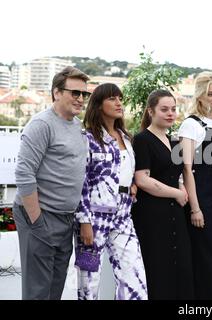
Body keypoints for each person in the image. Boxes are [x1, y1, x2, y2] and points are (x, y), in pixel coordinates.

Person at [13, 66, 90, 300]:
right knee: (38, 291)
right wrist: (37, 220)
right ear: (57, 93)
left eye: (84, 95)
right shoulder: (42, 125)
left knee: (54, 289)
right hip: (41, 215)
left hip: (65, 218)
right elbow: (24, 172)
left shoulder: (78, 127)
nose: (80, 99)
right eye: (74, 93)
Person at [74, 83, 147, 300]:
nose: (118, 103)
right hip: (93, 218)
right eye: (112, 99)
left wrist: (132, 184)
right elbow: (82, 181)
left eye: (120, 99)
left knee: (135, 279)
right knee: (88, 282)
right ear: (98, 105)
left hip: (123, 215)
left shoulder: (126, 137)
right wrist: (84, 221)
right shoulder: (87, 138)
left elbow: (126, 169)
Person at [131, 89, 194, 300]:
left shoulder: (174, 141)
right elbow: (142, 179)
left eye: (173, 109)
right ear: (151, 111)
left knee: (181, 271)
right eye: (164, 109)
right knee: (158, 271)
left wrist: (180, 187)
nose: (170, 113)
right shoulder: (142, 140)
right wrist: (176, 192)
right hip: (152, 216)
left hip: (175, 215)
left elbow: (173, 174)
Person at [178, 71, 212, 300]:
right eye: (211, 94)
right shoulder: (191, 125)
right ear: (200, 96)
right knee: (206, 259)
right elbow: (186, 169)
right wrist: (196, 208)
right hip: (203, 200)